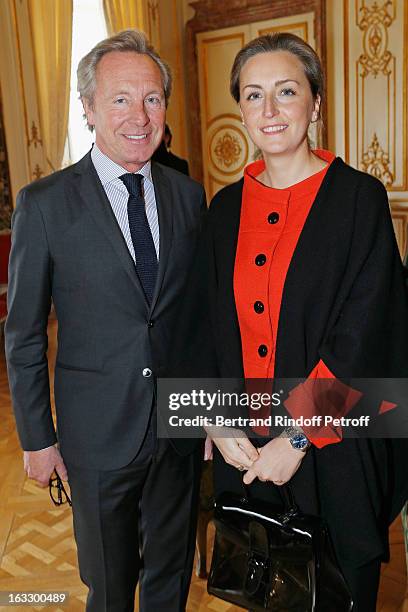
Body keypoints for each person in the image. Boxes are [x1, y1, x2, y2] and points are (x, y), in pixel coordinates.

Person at [174, 33, 408, 611]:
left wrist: (298, 436)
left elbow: (367, 333)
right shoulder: (223, 208)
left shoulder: (359, 199)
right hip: (246, 451)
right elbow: (199, 326)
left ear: (316, 103)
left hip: (334, 445)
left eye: (286, 91)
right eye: (254, 96)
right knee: (266, 588)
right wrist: (213, 422)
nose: (270, 110)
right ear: (242, 111)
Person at [5, 30, 206, 612]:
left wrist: (211, 414)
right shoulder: (43, 204)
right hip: (96, 437)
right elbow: (21, 336)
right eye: (119, 99)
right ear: (88, 108)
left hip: (178, 431)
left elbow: (196, 323)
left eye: (151, 99)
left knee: (169, 580)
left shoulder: (188, 196)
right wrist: (38, 439)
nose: (138, 117)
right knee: (110, 586)